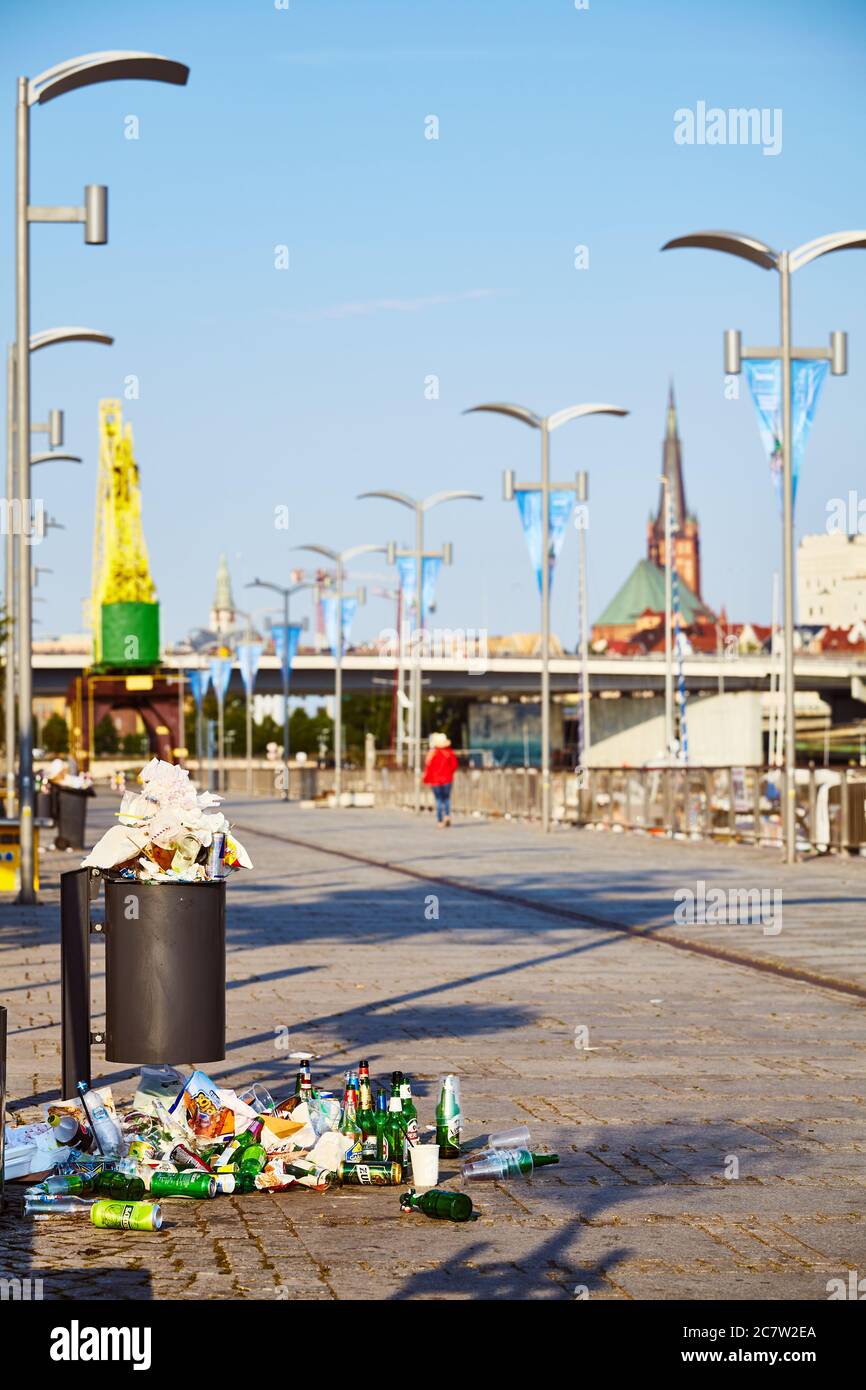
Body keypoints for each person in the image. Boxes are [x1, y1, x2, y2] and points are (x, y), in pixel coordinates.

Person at [423, 732, 458, 827]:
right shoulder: (449, 752)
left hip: (436, 781)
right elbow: (454, 765)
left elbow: (428, 767)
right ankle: (447, 816)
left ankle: (440, 821)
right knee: (446, 799)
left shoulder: (432, 754)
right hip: (447, 779)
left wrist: (426, 779)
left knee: (438, 800)